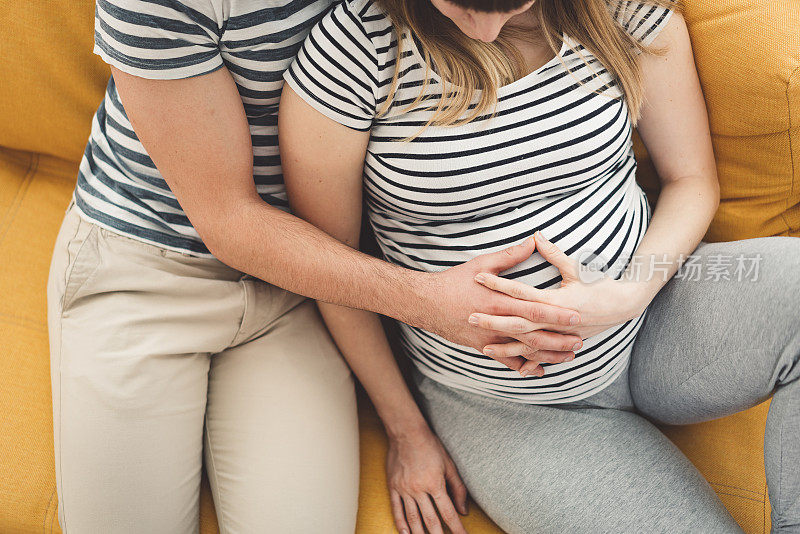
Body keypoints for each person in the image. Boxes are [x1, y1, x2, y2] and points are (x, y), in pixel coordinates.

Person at [46, 0, 585, 531]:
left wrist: (407, 432)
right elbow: (228, 219)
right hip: (147, 274)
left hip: (305, 286)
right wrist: (427, 302)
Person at [279, 0, 800, 531]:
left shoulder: (617, 12)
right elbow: (334, 269)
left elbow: (693, 179)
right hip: (507, 405)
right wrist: (406, 431)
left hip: (654, 322)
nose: (484, 29)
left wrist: (623, 295)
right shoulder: (354, 51)